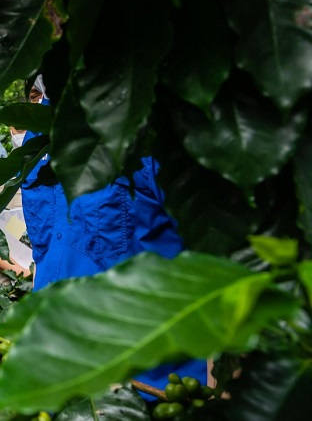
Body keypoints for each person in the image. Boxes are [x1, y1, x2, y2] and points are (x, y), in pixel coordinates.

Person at [20, 77, 206, 393]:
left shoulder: (150, 125)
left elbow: (214, 253)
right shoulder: (36, 138)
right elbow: (50, 246)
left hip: (150, 382)